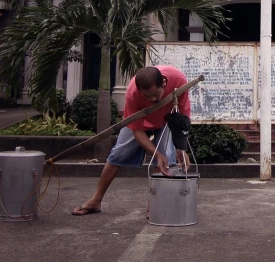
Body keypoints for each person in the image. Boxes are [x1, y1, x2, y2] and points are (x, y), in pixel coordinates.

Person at [72, 66, 191, 216]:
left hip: (165, 121)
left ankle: (154, 205)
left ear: (164, 82)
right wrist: (156, 154)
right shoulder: (133, 93)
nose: (152, 100)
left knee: (166, 158)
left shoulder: (179, 80)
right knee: (118, 154)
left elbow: (183, 116)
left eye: (156, 94)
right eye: (147, 97)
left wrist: (181, 148)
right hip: (138, 122)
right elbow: (137, 132)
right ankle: (96, 200)